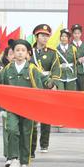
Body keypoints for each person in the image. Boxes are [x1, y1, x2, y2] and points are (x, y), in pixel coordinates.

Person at [0, 39, 53, 167]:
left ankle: (24, 162)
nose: (20, 53)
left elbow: (44, 80)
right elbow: (0, 88)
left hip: (28, 108)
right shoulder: (7, 70)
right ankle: (14, 159)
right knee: (12, 130)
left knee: (26, 133)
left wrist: (52, 84)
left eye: (23, 51)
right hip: (11, 107)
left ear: (28, 53)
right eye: (17, 50)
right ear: (13, 53)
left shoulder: (32, 69)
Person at [30, 23, 55, 154]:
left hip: (47, 86)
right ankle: (31, 147)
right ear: (36, 36)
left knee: (46, 117)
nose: (45, 38)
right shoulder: (28, 52)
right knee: (32, 118)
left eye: (47, 36)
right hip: (33, 86)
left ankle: (44, 144)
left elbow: (56, 72)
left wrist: (53, 83)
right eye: (42, 35)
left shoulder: (51, 53)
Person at [71, 24, 84, 91]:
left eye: (78, 33)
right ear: (72, 34)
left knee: (83, 89)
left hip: (83, 71)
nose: (76, 35)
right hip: (72, 71)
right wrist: (77, 60)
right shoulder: (69, 46)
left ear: (81, 34)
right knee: (73, 90)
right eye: (75, 33)